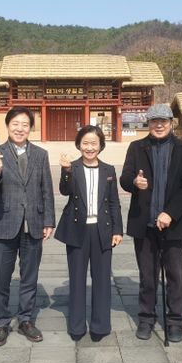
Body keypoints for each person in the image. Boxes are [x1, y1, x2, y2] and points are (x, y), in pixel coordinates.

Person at [119, 104, 182, 343]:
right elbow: (124, 178)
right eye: (154, 121)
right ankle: (146, 318)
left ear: (171, 123)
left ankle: (175, 321)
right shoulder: (136, 147)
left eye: (163, 121)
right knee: (147, 275)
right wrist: (134, 182)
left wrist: (170, 213)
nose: (159, 125)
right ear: (148, 123)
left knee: (176, 275)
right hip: (145, 222)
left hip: (173, 223)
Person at [0, 106, 55, 346]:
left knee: (29, 276)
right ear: (7, 126)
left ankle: (26, 319)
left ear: (31, 128)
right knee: (0, 278)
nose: (20, 128)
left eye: (25, 124)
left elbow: (46, 189)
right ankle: (1, 323)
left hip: (33, 223)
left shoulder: (41, 154)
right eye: (15, 124)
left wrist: (48, 220)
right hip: (4, 222)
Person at [55, 125, 123, 342]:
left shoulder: (109, 170)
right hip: (77, 229)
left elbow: (114, 202)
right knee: (76, 278)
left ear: (101, 145)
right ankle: (76, 326)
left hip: (103, 229)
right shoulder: (72, 167)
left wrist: (118, 229)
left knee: (102, 279)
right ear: (79, 145)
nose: (89, 147)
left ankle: (100, 325)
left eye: (94, 143)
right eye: (85, 143)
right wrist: (66, 171)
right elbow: (65, 191)